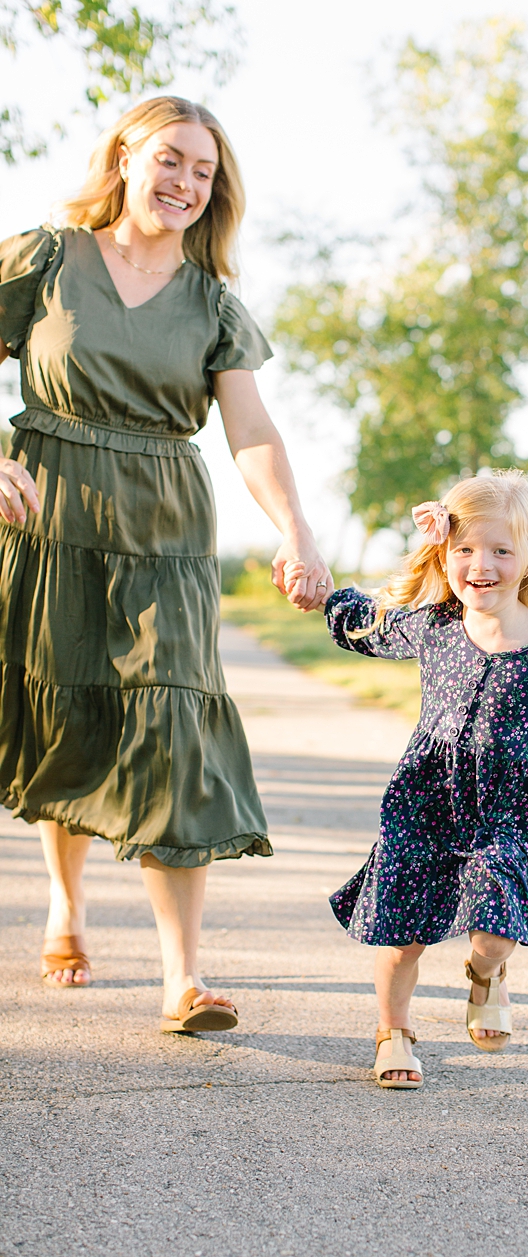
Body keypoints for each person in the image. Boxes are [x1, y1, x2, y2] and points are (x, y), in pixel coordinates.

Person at [0, 96, 331, 1031]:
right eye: (172, 159)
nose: (187, 182)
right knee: (67, 710)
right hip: (49, 509)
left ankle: (181, 978)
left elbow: (253, 431)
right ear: (125, 157)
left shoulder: (213, 304)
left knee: (171, 728)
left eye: (205, 171)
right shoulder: (46, 258)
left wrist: (296, 530)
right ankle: (66, 905)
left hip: (165, 528)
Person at [287, 471, 528, 1088]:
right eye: (465, 550)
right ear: (445, 556)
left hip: (508, 809)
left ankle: (486, 973)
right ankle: (393, 1031)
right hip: (425, 799)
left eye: (501, 550)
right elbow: (365, 626)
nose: (482, 565)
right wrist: (324, 595)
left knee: (498, 926)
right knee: (400, 932)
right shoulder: (435, 627)